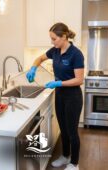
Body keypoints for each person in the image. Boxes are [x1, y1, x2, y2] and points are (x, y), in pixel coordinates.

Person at [26, 22, 84, 170]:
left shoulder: (76, 54)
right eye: (51, 39)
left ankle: (74, 163)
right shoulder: (55, 51)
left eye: (54, 39)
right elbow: (39, 58)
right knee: (63, 129)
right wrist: (33, 67)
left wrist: (59, 83)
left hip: (73, 97)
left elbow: (79, 79)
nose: (52, 42)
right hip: (60, 96)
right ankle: (65, 156)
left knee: (72, 131)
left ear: (64, 37)